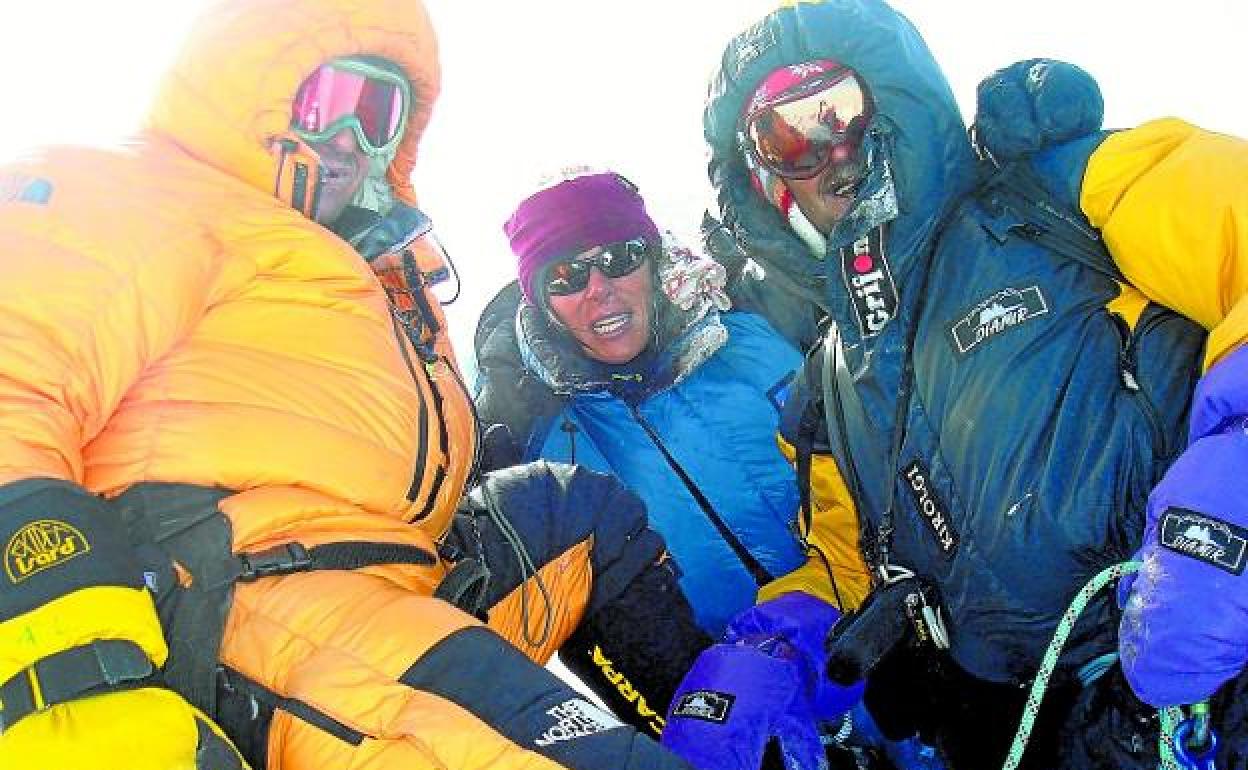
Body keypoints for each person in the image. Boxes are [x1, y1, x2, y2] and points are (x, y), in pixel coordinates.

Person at [0, 1, 699, 768]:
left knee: (577, 509)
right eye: (325, 100)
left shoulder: (371, 270)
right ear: (245, 92)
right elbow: (13, 380)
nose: (349, 139)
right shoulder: (137, 194)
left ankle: (721, 720)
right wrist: (68, 677)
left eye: (379, 111)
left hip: (399, 570)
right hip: (253, 595)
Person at [659, 1, 1248, 768]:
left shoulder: (1065, 192)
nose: (834, 147)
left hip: (1216, 683)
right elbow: (846, 558)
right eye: (788, 134)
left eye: (841, 106)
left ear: (896, 101)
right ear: (765, 177)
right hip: (1020, 733)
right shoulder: (826, 392)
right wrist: (781, 645)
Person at [473, 168, 877, 745]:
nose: (598, 288)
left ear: (654, 261)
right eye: (565, 275)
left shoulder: (759, 342)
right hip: (738, 717)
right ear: (543, 304)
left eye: (619, 257)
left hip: (879, 638)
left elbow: (862, 468)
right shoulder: (548, 453)